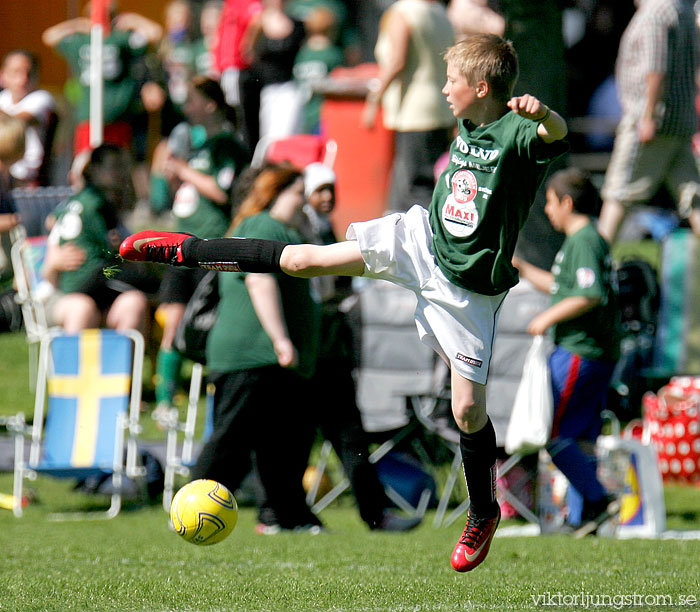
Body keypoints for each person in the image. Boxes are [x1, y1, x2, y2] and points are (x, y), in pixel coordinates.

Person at [120, 34, 569, 571]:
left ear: (481, 87)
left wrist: (542, 113)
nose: (445, 89)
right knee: (303, 259)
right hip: (420, 242)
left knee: (467, 410)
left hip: (469, 290)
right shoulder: (468, 120)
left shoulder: (518, 131)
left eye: (452, 81)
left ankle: (482, 513)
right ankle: (187, 251)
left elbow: (554, 134)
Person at [190, 164, 323, 532]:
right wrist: (281, 339)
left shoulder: (286, 230)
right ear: (273, 194)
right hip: (252, 354)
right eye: (298, 193)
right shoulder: (264, 225)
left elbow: (322, 289)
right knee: (232, 438)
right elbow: (259, 282)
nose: (305, 202)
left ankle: (282, 514)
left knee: (282, 441)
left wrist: (308, 233)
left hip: (269, 357)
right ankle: (188, 507)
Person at [300, 162, 422, 532]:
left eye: (330, 191)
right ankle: (280, 512)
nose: (327, 198)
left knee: (350, 435)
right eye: (319, 190)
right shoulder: (300, 229)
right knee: (297, 436)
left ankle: (376, 514)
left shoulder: (324, 228)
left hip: (332, 352)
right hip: (307, 353)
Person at [513, 168, 621, 537]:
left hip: (580, 350)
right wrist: (525, 269)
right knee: (580, 438)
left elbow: (588, 295)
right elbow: (565, 286)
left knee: (554, 433)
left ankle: (597, 499)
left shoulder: (585, 241)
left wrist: (546, 318)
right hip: (594, 351)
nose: (546, 209)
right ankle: (583, 518)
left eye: (550, 201)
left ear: (567, 202)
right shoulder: (583, 241)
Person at [149, 76, 250, 414]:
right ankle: (165, 401)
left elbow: (222, 192)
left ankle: (211, 395)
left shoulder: (227, 146)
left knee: (205, 322)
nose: (186, 108)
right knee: (172, 317)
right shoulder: (200, 145)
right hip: (180, 242)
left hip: (209, 246)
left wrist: (185, 171)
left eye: (192, 100)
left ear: (210, 104)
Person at [597, 0, 700, 243]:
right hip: (681, 122)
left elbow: (656, 69)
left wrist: (648, 117)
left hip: (652, 122)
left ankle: (592, 263)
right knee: (694, 198)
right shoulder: (683, 9)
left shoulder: (655, 13)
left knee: (618, 193)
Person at [43, 144, 156, 333]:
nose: (121, 173)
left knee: (133, 300)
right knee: (135, 280)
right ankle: (160, 291)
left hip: (87, 284)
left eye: (122, 166)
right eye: (114, 166)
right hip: (84, 282)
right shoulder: (97, 203)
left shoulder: (76, 201)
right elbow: (109, 251)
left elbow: (52, 219)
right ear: (94, 171)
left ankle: (119, 361)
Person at [362, 0, 455, 213]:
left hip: (414, 112)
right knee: (433, 180)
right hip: (443, 107)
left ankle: (425, 240)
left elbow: (396, 61)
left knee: (416, 186)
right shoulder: (440, 12)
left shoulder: (402, 12)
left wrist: (374, 97)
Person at [41, 4, 163, 156]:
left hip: (118, 117)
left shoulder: (122, 39)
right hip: (88, 118)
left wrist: (132, 20)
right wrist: (77, 24)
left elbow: (155, 33)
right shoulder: (79, 41)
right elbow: (49, 36)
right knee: (86, 161)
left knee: (115, 164)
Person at [0, 50, 57, 187]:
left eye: (29, 73)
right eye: (16, 72)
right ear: (3, 75)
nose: (23, 79)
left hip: (30, 183)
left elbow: (17, 122)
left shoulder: (43, 98)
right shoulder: (3, 98)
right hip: (5, 177)